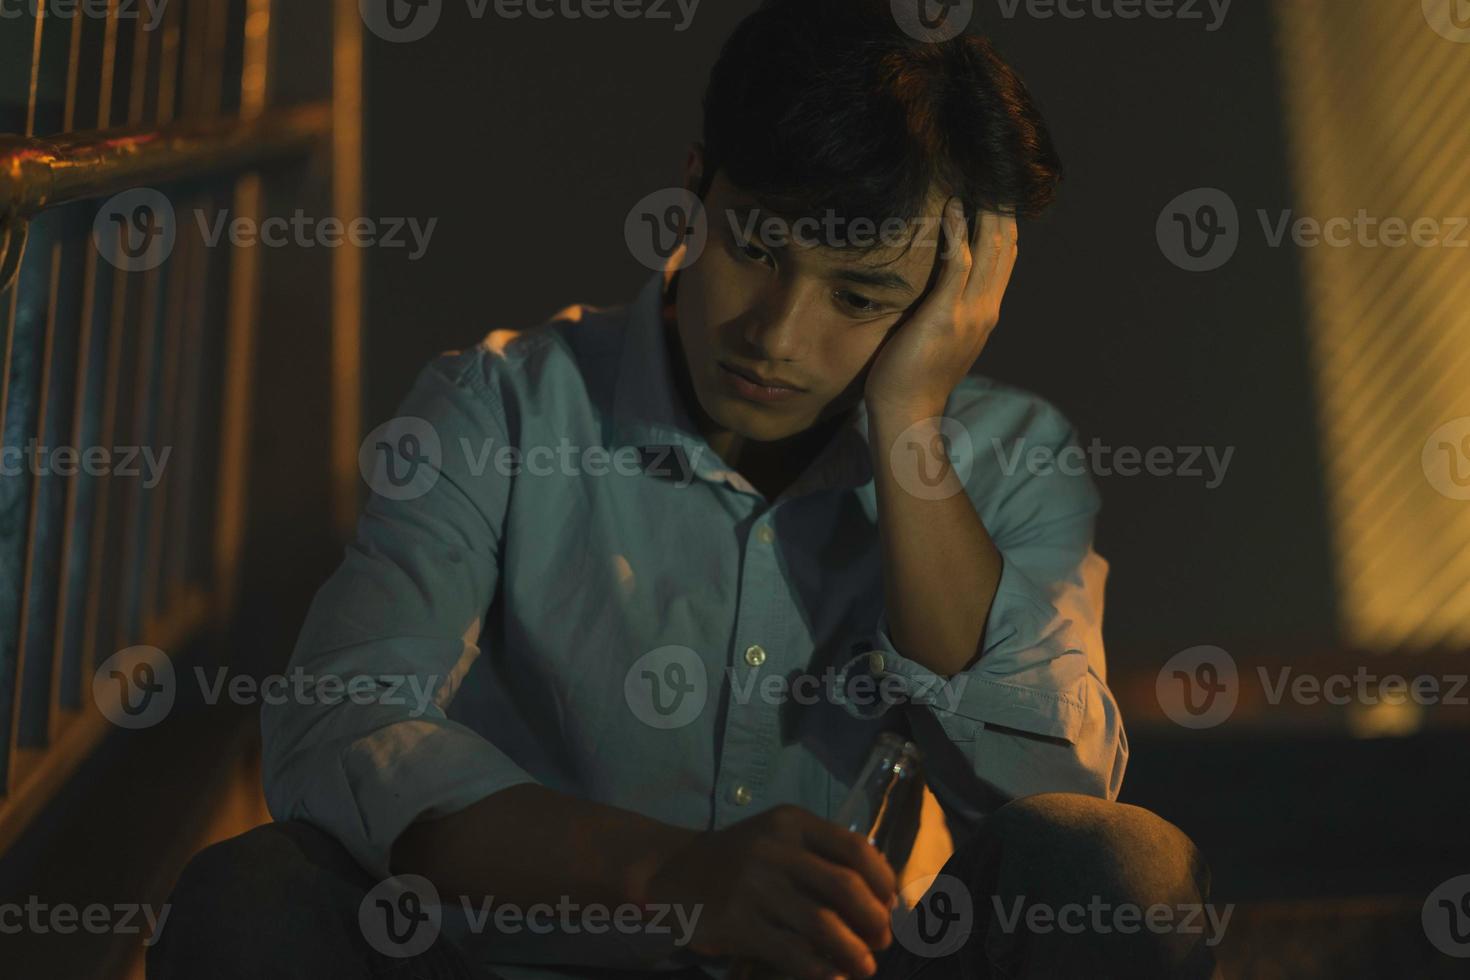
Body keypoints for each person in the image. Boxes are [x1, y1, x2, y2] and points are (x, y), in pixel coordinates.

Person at [152, 1, 1219, 977]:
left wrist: (909, 430)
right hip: (539, 963)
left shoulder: (1010, 456)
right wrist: (667, 874)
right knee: (252, 900)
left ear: (957, 296)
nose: (775, 334)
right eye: (755, 246)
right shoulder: (504, 406)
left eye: (860, 293)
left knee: (1126, 870)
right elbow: (336, 720)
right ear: (695, 188)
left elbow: (1052, 796)